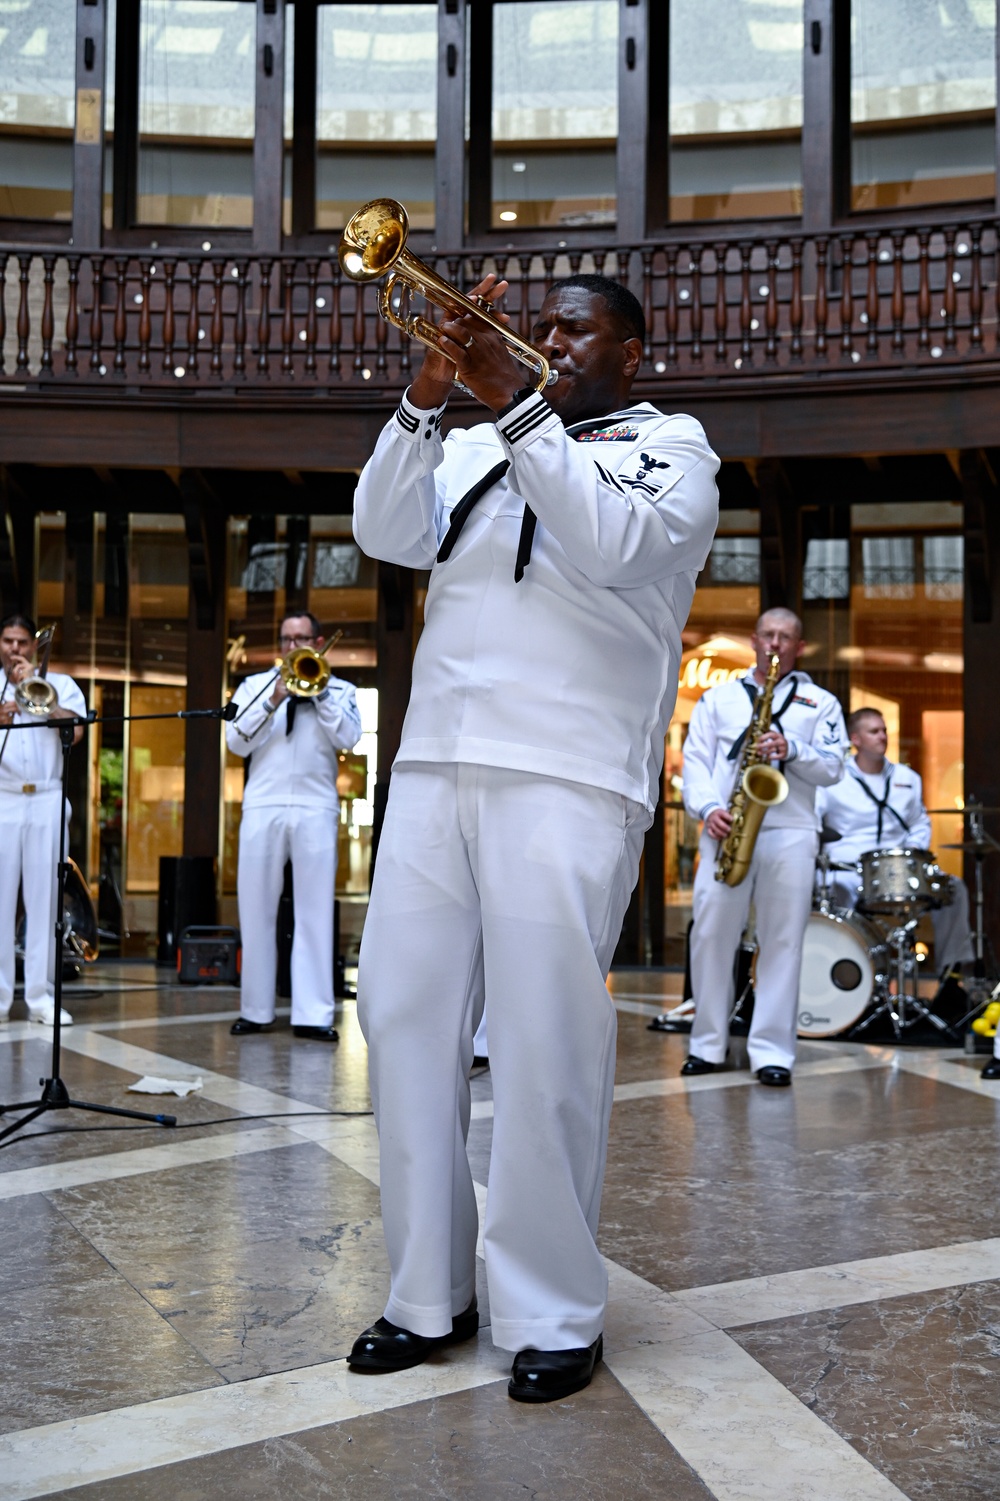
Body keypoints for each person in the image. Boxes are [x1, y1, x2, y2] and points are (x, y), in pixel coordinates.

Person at [349, 272, 719, 1401]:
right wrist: (427, 392)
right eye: (541, 323)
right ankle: (427, 1293)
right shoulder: (470, 444)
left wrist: (520, 406)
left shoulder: (672, 448)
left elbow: (610, 544)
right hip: (437, 761)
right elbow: (384, 526)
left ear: (632, 351)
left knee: (544, 1037)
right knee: (402, 1017)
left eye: (574, 327)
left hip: (566, 771)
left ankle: (551, 1308)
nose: (549, 338)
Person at [678, 609, 848, 1086]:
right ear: (754, 640)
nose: (775, 643)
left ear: (800, 646)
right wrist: (708, 807)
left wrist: (792, 748)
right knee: (711, 935)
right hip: (726, 826)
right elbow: (696, 761)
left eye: (786, 637)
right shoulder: (719, 699)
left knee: (782, 941)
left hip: (791, 830)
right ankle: (707, 1045)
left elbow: (834, 768)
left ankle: (772, 1052)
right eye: (768, 635)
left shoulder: (821, 703)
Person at [225, 613, 361, 1041]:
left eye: (301, 638)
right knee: (256, 909)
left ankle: (313, 1014)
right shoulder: (255, 685)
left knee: (315, 911)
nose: (293, 645)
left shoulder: (340, 689)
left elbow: (350, 738)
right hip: (263, 805)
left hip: (315, 806)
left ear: (318, 642)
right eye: (286, 638)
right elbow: (235, 741)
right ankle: (256, 1009)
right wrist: (273, 700)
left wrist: (318, 696)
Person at [815, 706, 974, 974]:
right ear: (855, 739)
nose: (882, 737)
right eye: (873, 731)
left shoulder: (907, 778)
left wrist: (914, 852)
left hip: (899, 867)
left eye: (884, 731)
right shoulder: (833, 779)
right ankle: (850, 975)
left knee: (954, 889)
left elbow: (919, 822)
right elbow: (814, 823)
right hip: (848, 870)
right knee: (835, 891)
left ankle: (951, 976)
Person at [0, 614, 86, 1026]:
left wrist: (41, 692)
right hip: (4, 798)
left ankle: (40, 996)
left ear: (33, 646)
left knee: (44, 900)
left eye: (21, 642)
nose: (15, 649)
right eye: (7, 642)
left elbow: (77, 732)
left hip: (47, 795)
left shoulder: (62, 683)